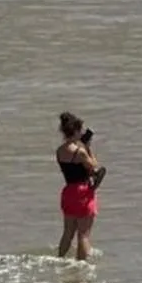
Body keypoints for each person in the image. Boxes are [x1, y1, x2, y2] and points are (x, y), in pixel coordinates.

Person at [55, 111, 103, 260]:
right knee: (83, 234)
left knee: (67, 232)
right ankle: (82, 265)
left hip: (68, 192)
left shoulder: (59, 151)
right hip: (82, 192)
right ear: (75, 131)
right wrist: (88, 147)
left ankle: (60, 259)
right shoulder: (80, 152)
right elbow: (94, 166)